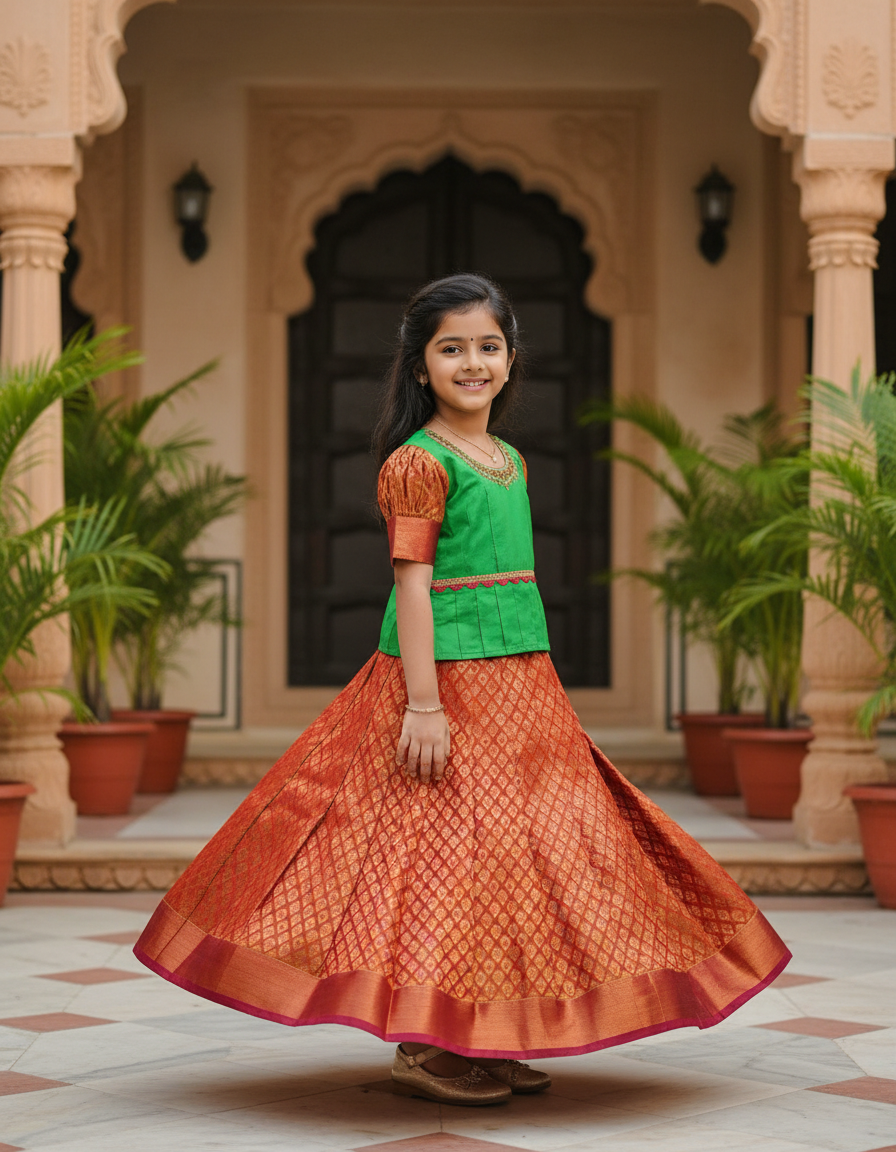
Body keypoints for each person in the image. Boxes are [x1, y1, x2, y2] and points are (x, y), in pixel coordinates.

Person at [135, 272, 791, 1107]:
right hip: (444, 689)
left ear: (511, 360)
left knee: (526, 858)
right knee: (436, 859)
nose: (472, 363)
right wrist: (422, 705)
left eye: (487, 347)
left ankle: (489, 1031)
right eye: (452, 349)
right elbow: (414, 585)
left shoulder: (510, 460)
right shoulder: (419, 462)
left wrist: (538, 690)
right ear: (420, 367)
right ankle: (426, 1046)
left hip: (525, 682)